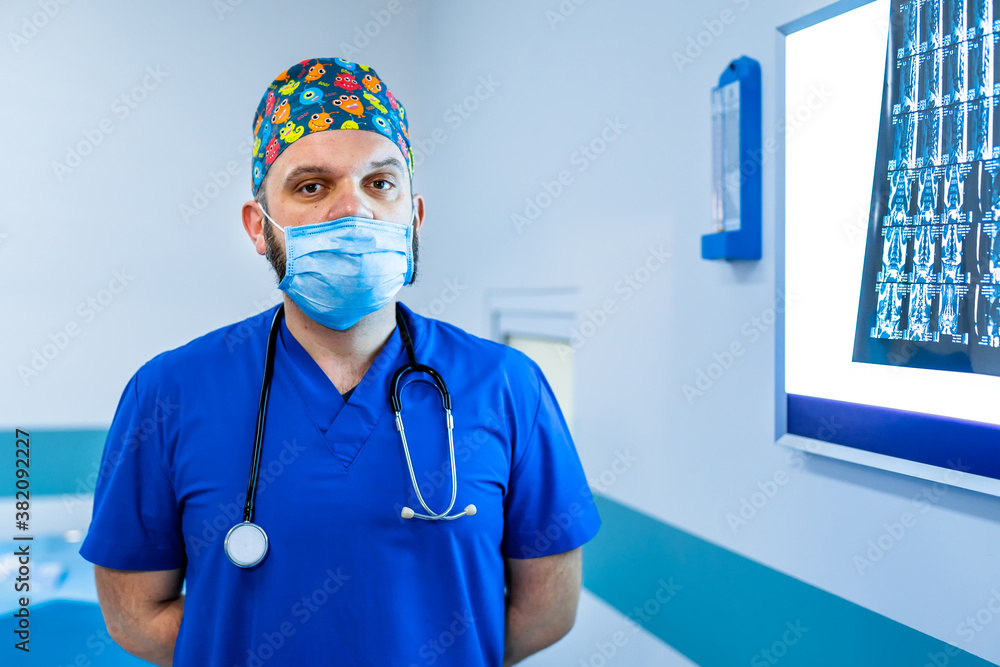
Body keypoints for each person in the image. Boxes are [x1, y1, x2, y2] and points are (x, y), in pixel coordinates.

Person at [80, 57, 600, 667]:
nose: (353, 210)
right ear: (258, 226)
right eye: (311, 186)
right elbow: (135, 616)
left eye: (380, 183)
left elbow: (545, 610)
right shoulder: (167, 393)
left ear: (414, 216)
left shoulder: (508, 387)